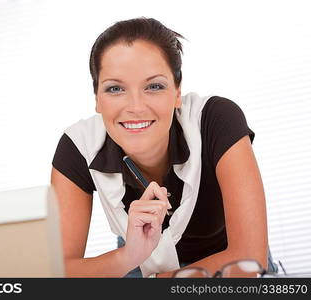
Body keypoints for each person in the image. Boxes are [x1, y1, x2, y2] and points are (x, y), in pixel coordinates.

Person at [51, 17, 278, 278]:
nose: (135, 107)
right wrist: (128, 256)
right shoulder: (78, 147)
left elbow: (248, 258)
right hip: (138, 259)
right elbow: (61, 272)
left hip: (223, 263)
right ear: (97, 99)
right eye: (115, 88)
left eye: (154, 86)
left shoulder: (217, 119)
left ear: (177, 92)